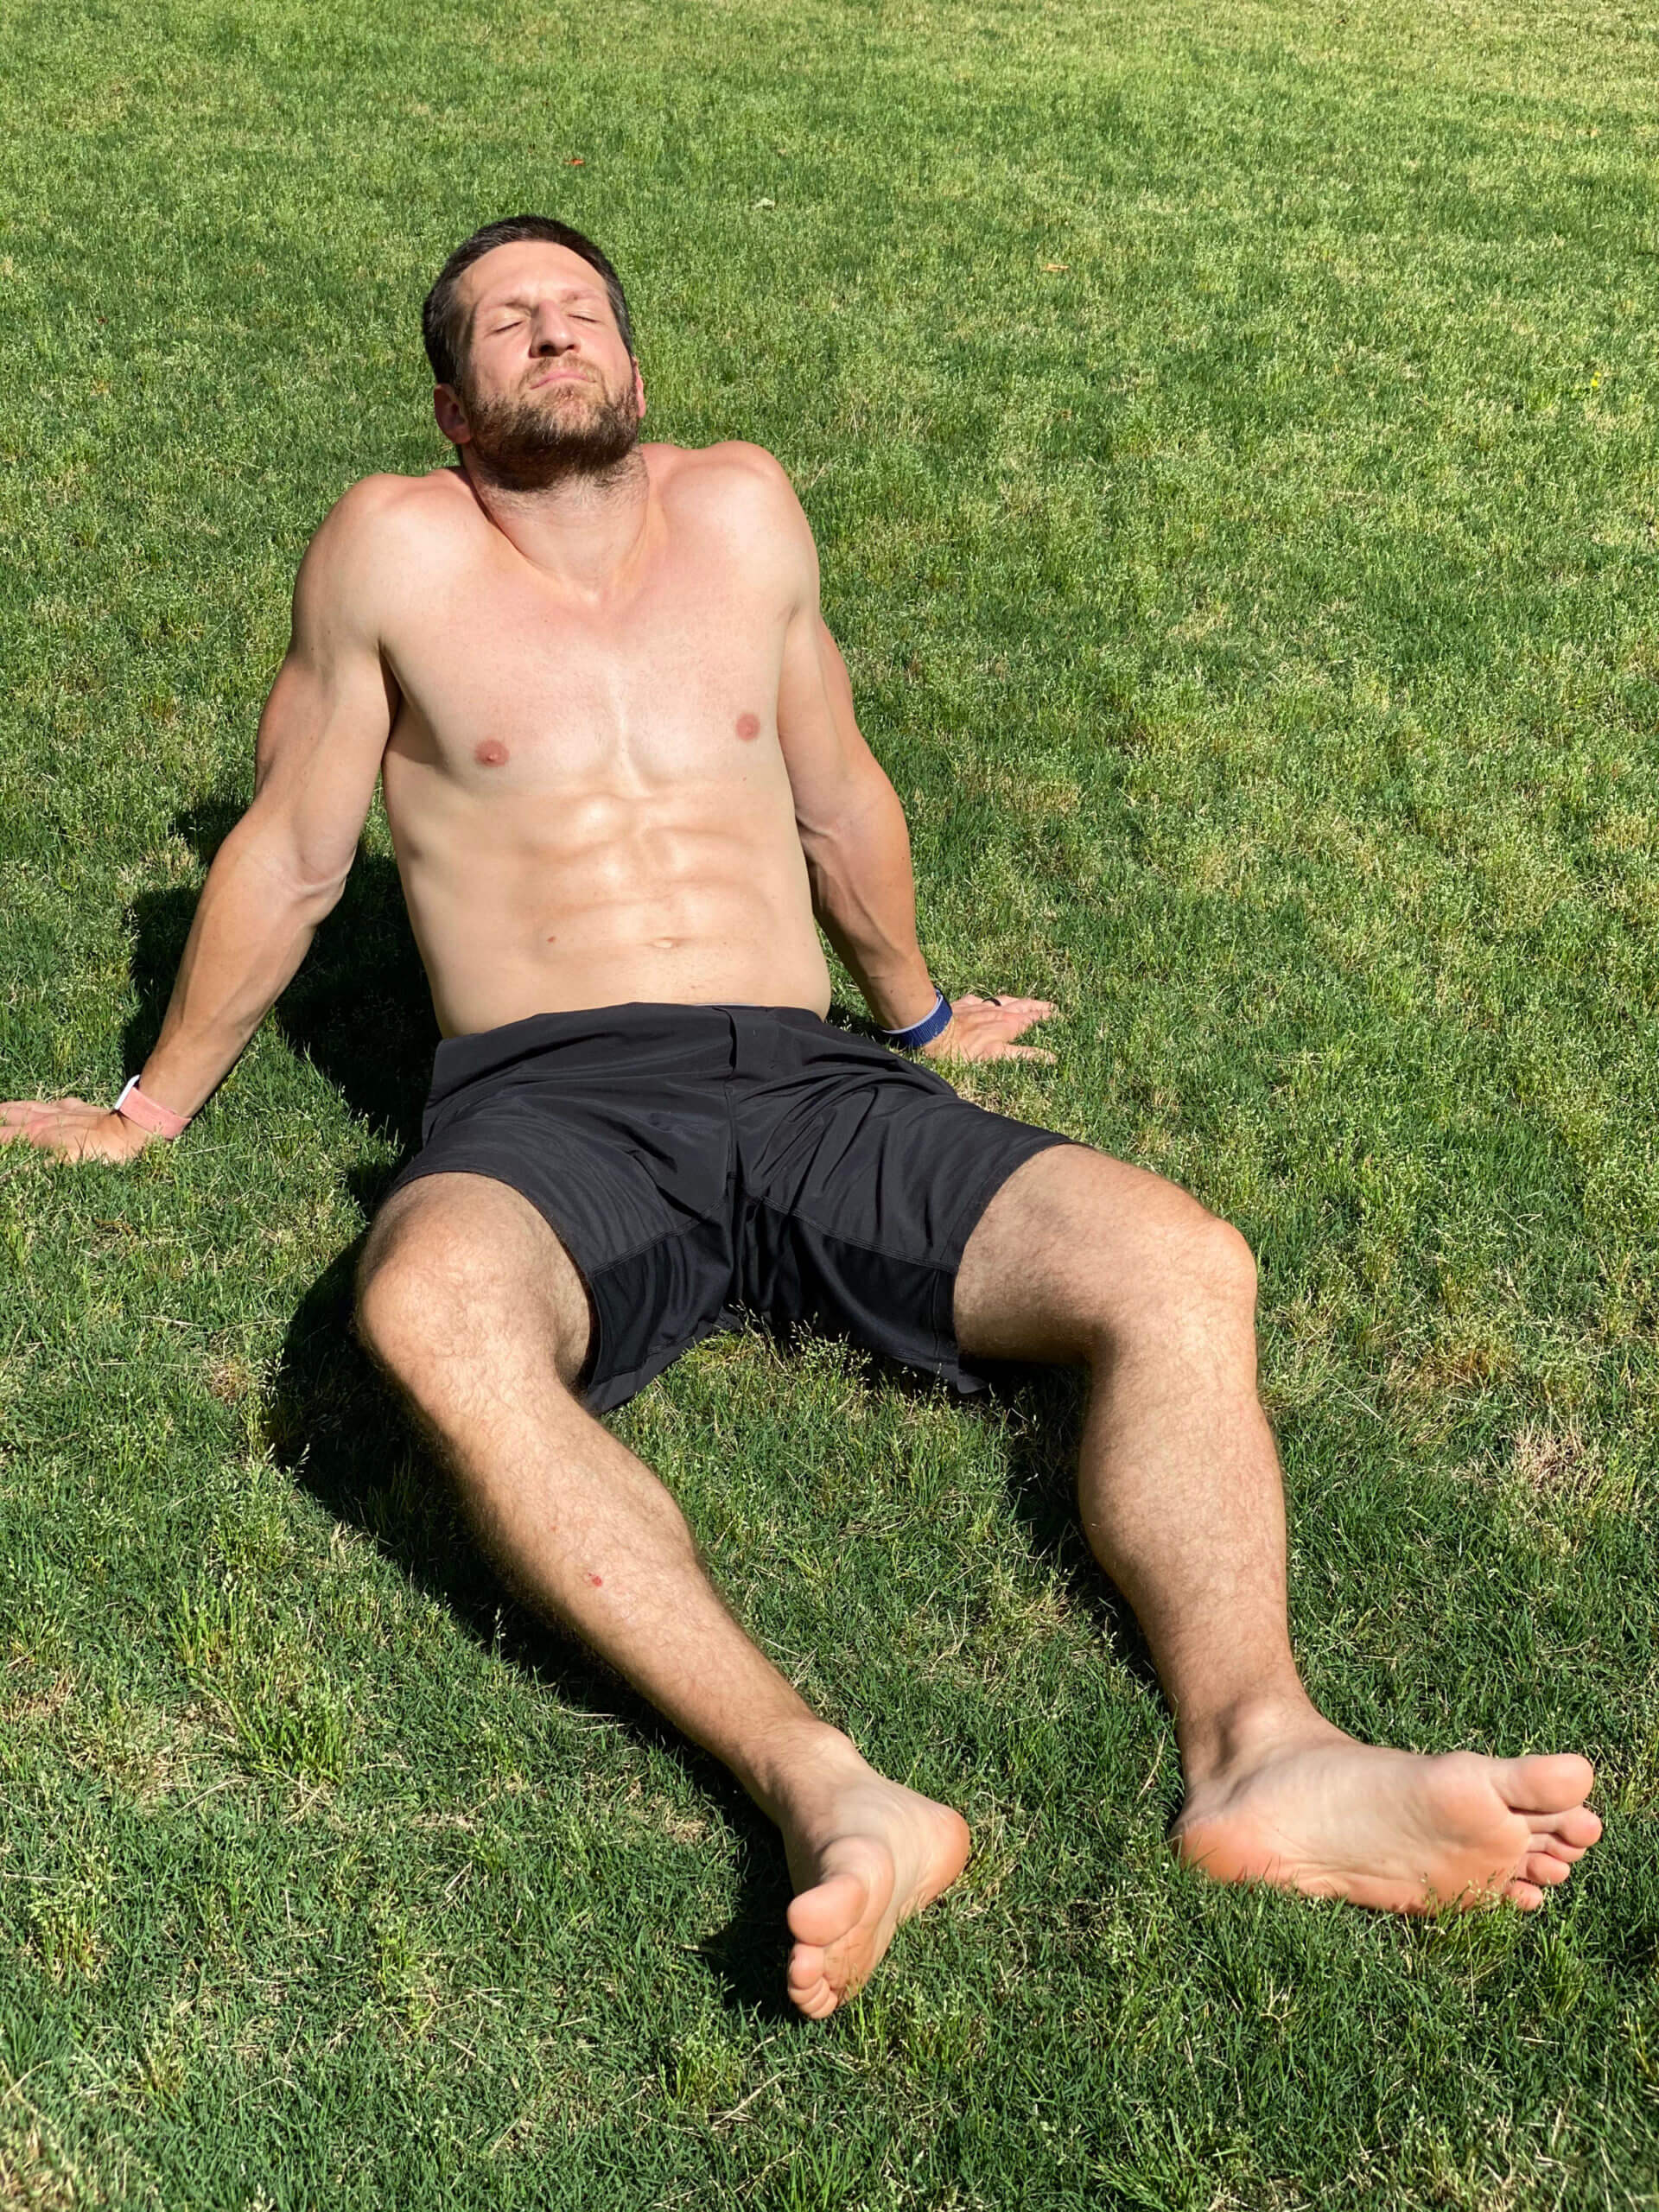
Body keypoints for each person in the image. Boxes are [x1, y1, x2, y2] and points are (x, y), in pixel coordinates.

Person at [1, 215, 1600, 2020]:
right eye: (508, 322)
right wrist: (148, 1109)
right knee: (428, 1306)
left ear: (637, 368)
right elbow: (294, 851)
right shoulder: (390, 552)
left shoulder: (747, 511)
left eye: (581, 310)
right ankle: (829, 1787)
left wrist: (915, 1011)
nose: (553, 333)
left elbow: (835, 787)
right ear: (452, 402)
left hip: (802, 1070)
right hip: (554, 1099)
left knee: (1177, 1258)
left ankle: (1269, 1749)